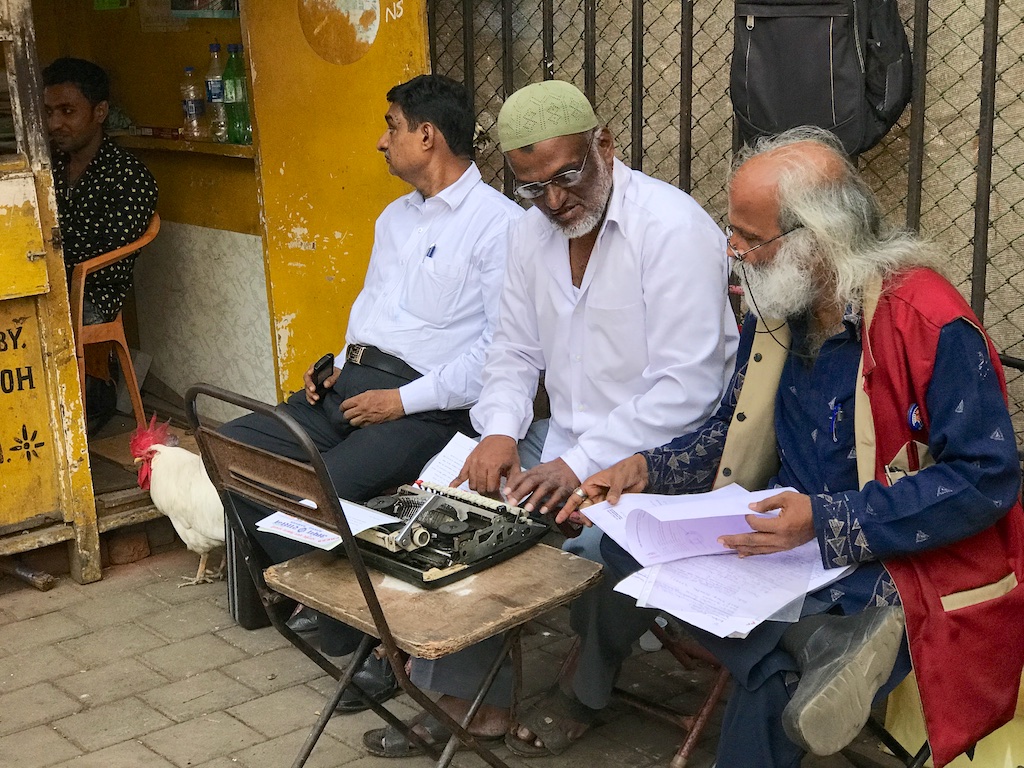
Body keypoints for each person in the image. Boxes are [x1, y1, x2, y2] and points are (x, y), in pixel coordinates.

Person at [548, 126, 1024, 767]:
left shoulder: (927, 321)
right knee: (621, 548)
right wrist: (643, 469)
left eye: (751, 237)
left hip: (893, 555)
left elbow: (988, 478)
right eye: (733, 231)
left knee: (774, 690)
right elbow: (727, 432)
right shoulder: (779, 303)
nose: (734, 250)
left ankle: (803, 656)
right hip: (784, 539)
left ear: (818, 239)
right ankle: (809, 646)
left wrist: (827, 522)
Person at [359, 79, 739, 756]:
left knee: (601, 553)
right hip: (557, 442)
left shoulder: (674, 229)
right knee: (453, 502)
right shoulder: (531, 234)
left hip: (660, 455)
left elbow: (690, 388)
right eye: (533, 186)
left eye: (569, 175)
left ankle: (584, 691)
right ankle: (472, 697)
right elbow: (512, 351)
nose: (557, 201)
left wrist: (580, 467)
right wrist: (502, 429)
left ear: (606, 145)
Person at [219, 74, 522, 712]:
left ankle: (387, 646)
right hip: (350, 389)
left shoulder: (499, 227)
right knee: (233, 456)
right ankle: (346, 621)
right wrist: (332, 365)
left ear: (427, 134)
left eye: (392, 125)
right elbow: (371, 315)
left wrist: (402, 401)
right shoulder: (394, 218)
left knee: (311, 492)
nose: (382, 141)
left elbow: (499, 354)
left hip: (423, 407)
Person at [43, 57, 158, 431]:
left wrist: (45, 253)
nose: (55, 123)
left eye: (67, 111)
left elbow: (102, 251)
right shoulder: (50, 169)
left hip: (89, 297)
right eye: (49, 112)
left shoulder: (129, 176)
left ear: (100, 112)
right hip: (48, 283)